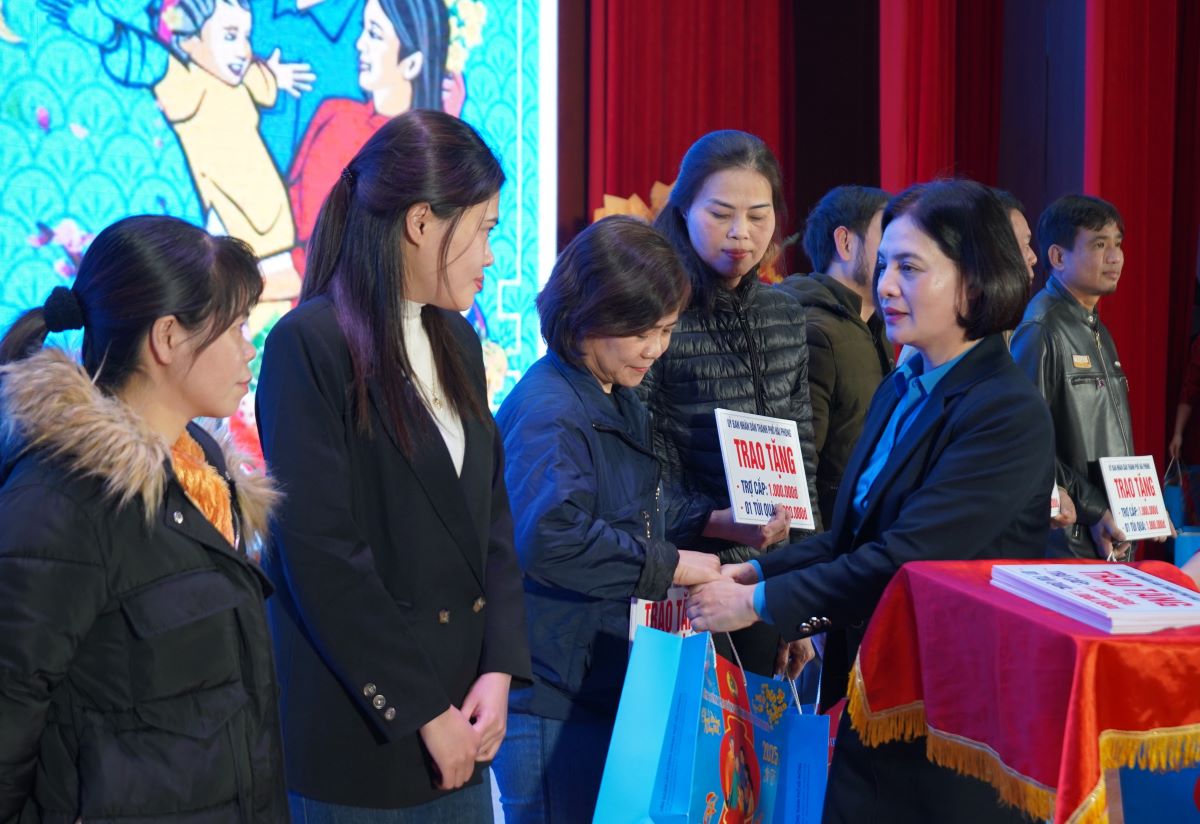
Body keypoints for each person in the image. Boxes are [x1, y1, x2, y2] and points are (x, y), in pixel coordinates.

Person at [686, 180, 1055, 823]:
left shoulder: (1005, 410)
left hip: (949, 719)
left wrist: (754, 604)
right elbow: (850, 535)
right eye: (884, 266)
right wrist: (755, 569)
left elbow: (904, 559)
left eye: (909, 268)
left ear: (975, 280)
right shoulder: (905, 380)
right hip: (872, 693)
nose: (884, 286)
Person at [255, 109, 530, 821]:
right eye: (486, 228)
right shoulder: (307, 344)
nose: (491, 256)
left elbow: (490, 524)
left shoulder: (458, 343)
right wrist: (422, 711)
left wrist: (498, 667)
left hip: (467, 720)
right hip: (365, 733)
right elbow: (322, 558)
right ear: (421, 222)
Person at [492, 216, 804, 823]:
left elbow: (633, 503)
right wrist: (672, 565)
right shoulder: (549, 410)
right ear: (589, 312)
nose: (657, 350)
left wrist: (719, 522)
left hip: (597, 676)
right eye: (646, 332)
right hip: (553, 689)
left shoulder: (611, 392)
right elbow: (552, 537)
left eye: (665, 331)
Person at [0, 215, 286, 821]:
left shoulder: (208, 472)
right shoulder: (61, 501)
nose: (248, 348)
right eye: (235, 328)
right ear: (167, 339)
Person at [642, 129, 817, 676]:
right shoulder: (653, 315)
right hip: (680, 582)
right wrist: (718, 522)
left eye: (759, 216)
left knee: (759, 753)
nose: (741, 234)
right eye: (720, 213)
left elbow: (802, 463)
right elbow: (633, 471)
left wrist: (798, 609)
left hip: (764, 590)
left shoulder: (785, 316)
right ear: (684, 208)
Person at [1011, 194, 1171, 559]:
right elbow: (1024, 444)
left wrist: (1143, 508)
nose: (1115, 257)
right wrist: (1095, 509)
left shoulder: (1094, 326)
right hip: (1069, 544)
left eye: (1118, 244)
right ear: (1057, 257)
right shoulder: (1042, 328)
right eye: (1099, 245)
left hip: (1109, 539)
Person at [288, 0, 456, 276]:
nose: (359, 44)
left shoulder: (429, 154)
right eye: (362, 30)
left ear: (412, 63)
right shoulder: (334, 114)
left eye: (375, 34)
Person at [776, 185, 893, 525]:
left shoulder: (876, 328)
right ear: (845, 242)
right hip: (831, 540)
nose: (900, 251)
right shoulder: (817, 331)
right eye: (887, 235)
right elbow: (800, 465)